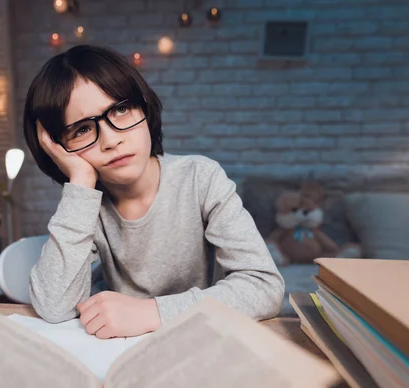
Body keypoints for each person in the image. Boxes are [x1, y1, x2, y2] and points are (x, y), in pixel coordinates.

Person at [23, 44, 284, 339]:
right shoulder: (84, 205)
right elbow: (54, 307)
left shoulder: (200, 178)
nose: (111, 140)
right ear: (60, 149)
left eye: (120, 110)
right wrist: (81, 181)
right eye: (81, 130)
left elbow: (264, 287)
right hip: (118, 349)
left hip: (194, 340)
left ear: (144, 108)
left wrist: (152, 312)